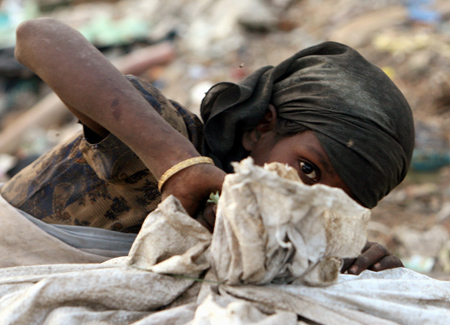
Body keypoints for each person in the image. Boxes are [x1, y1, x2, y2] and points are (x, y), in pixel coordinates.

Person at [1, 18, 414, 275]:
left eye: (336, 206)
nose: (308, 203)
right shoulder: (167, 135)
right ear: (261, 127)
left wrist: (356, 261)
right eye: (307, 169)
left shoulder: (280, 239)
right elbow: (37, 36)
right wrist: (177, 165)